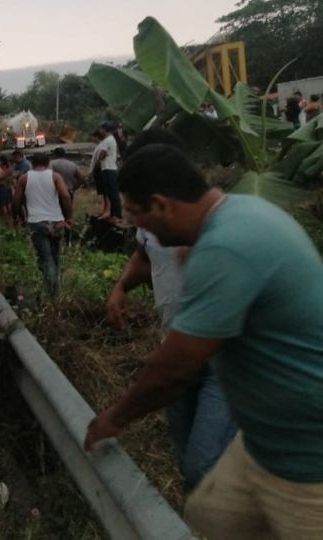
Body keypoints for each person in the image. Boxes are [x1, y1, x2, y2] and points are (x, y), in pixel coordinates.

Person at [85, 143, 323, 539]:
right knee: (210, 515)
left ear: (161, 205)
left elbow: (174, 370)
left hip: (307, 463)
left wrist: (113, 418)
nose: (133, 224)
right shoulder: (242, 213)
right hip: (262, 448)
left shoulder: (225, 247)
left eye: (135, 213)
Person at [105, 129, 235, 492]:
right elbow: (144, 255)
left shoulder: (222, 222)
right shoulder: (154, 223)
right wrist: (121, 287)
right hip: (174, 347)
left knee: (204, 462)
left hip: (218, 360)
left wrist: (117, 416)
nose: (136, 219)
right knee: (187, 462)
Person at [13, 153, 73, 294]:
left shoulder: (24, 178)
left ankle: (52, 293)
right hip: (57, 221)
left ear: (32, 163)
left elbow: (16, 201)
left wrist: (16, 218)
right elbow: (65, 196)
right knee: (56, 256)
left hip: (37, 223)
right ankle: (57, 289)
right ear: (48, 163)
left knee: (45, 259)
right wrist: (69, 217)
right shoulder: (55, 177)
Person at [89, 121, 122, 221]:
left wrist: (100, 157)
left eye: (101, 129)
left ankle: (117, 215)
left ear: (104, 130)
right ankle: (113, 214)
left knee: (113, 193)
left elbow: (102, 154)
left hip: (108, 168)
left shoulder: (107, 140)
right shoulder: (110, 139)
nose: (100, 131)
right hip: (108, 168)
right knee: (110, 193)